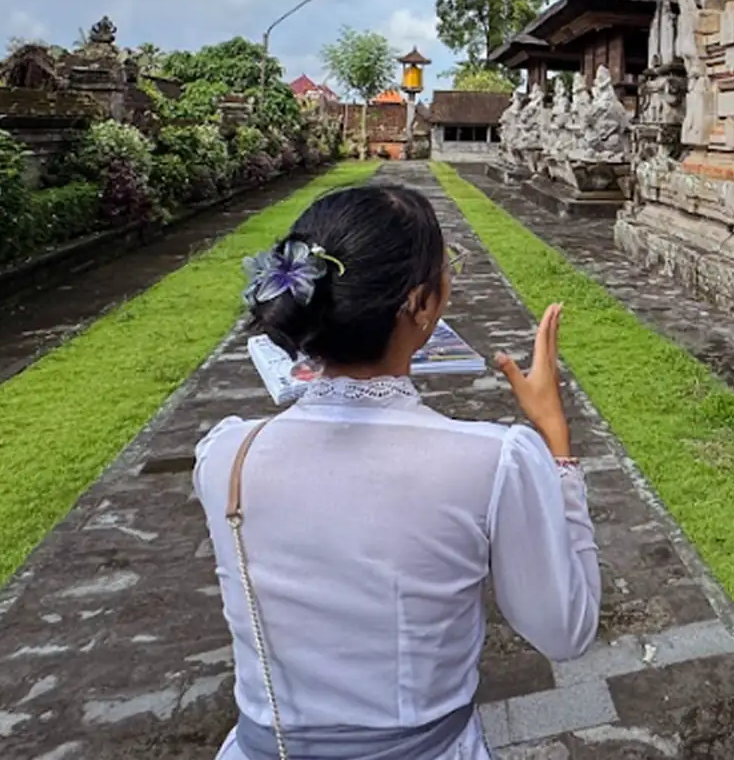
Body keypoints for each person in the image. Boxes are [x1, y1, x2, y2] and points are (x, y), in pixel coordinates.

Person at [192, 182, 598, 760]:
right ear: (421, 303)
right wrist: (556, 443)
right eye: (447, 268)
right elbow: (565, 630)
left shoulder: (224, 455)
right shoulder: (492, 460)